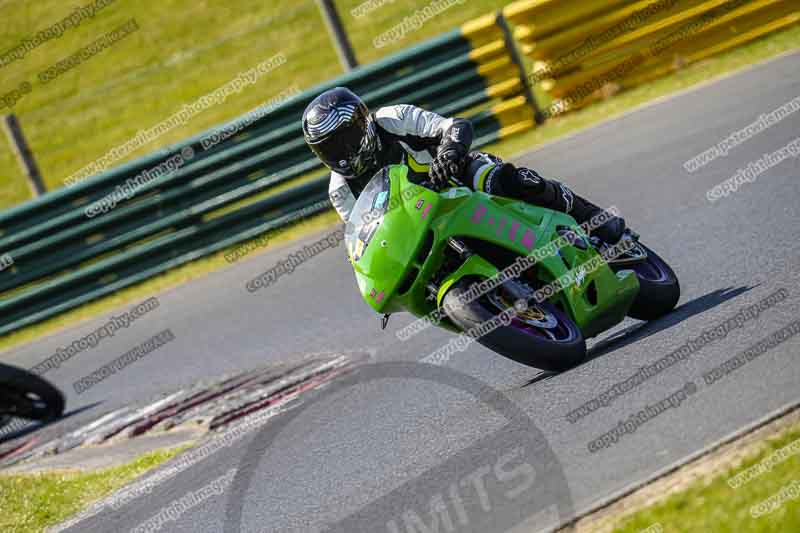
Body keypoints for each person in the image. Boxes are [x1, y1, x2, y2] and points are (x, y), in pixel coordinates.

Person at [302, 87, 625, 243]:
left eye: (344, 140)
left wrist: (447, 157)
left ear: (363, 125)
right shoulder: (340, 190)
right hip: (420, 222)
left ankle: (593, 220)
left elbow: (454, 127)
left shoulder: (392, 119)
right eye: (328, 149)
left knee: (504, 181)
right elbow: (363, 235)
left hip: (457, 177)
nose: (341, 153)